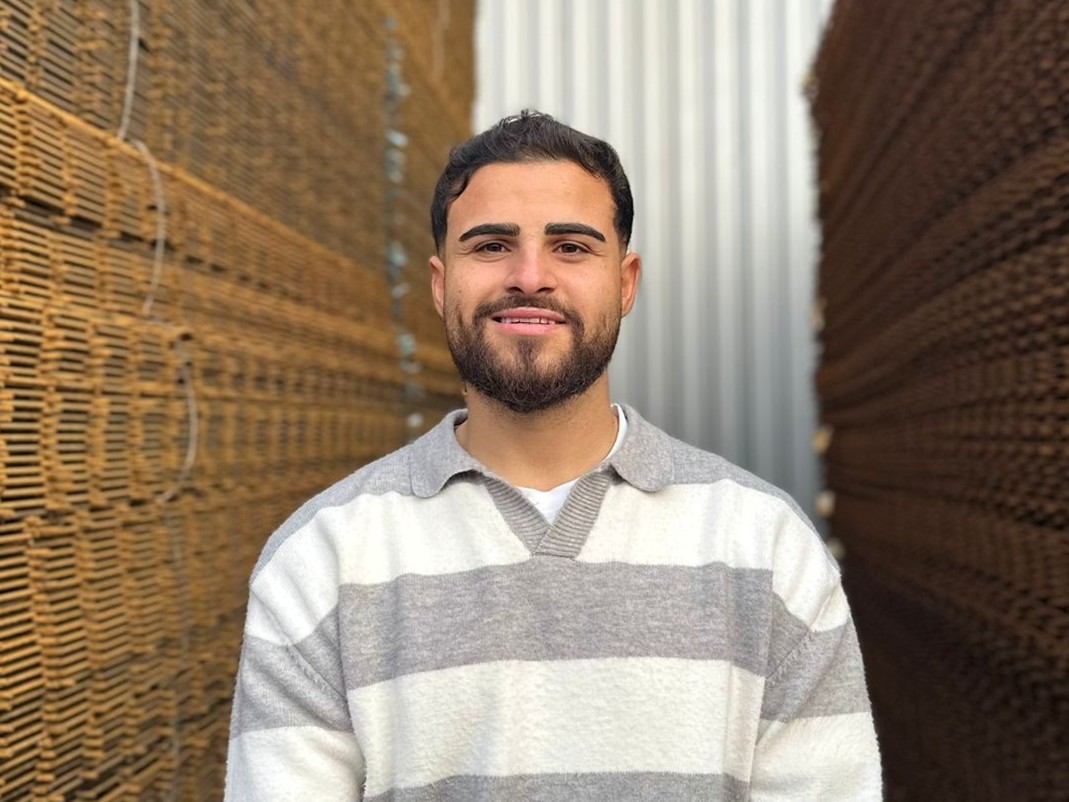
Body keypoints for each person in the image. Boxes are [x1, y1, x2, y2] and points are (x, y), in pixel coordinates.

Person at [224, 111, 882, 801]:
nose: (530, 276)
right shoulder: (320, 561)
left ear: (625, 283)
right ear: (440, 284)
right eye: (491, 246)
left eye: (570, 246)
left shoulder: (766, 547)